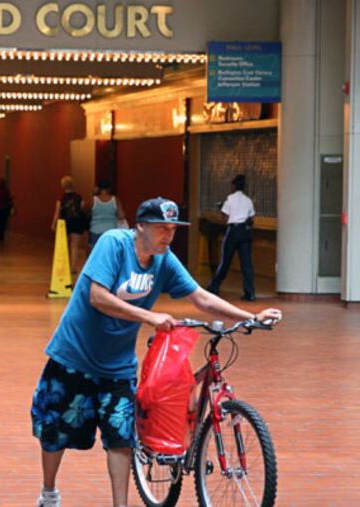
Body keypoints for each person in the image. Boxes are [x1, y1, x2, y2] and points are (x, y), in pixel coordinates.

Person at [31, 197, 282, 507]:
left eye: (173, 228)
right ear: (141, 226)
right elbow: (98, 297)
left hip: (117, 365)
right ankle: (49, 493)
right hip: (74, 356)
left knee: (120, 441)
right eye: (162, 228)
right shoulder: (114, 244)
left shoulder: (164, 260)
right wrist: (149, 317)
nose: (169, 234)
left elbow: (200, 297)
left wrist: (250, 316)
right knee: (56, 432)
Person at [206, 174, 258, 301]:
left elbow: (225, 217)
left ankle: (215, 286)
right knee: (246, 264)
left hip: (233, 231)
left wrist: (221, 209)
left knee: (225, 261)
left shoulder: (230, 199)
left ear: (234, 186)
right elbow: (251, 218)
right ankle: (250, 293)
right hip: (244, 232)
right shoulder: (248, 200)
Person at [51, 176, 86, 274]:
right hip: (77, 223)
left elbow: (57, 212)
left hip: (64, 223)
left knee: (63, 246)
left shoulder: (61, 198)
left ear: (63, 186)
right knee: (74, 246)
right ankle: (73, 267)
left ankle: (63, 266)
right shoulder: (79, 197)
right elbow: (82, 208)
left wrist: (54, 224)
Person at [88, 179, 125, 252]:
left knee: (95, 253)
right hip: (111, 230)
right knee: (110, 253)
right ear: (109, 188)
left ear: (98, 188)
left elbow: (86, 211)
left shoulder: (93, 200)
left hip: (95, 230)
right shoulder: (115, 200)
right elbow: (121, 215)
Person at [0, 178, 14, 243]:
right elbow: (8, 200)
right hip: (4, 210)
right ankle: (2, 235)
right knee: (3, 223)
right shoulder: (6, 191)